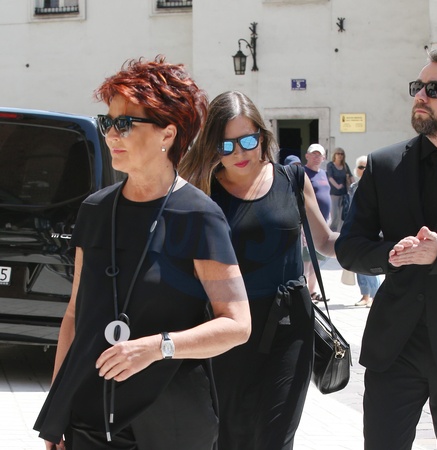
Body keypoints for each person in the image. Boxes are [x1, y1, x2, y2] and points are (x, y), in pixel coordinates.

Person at [34, 57, 251, 450]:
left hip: (172, 421)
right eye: (107, 122)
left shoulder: (198, 215)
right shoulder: (95, 210)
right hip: (91, 415)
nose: (110, 134)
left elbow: (237, 324)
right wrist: (56, 411)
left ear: (168, 133)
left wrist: (157, 347)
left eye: (125, 123)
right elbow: (75, 316)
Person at [335, 48, 437, 450]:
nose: (420, 96)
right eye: (418, 87)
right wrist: (391, 254)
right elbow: (350, 248)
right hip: (395, 347)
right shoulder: (384, 165)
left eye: (434, 89)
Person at [179, 90, 338, 450]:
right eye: (226, 145)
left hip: (290, 326)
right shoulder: (200, 190)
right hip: (225, 327)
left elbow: (326, 241)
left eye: (248, 140)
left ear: (263, 137)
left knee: (276, 438)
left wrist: (381, 247)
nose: (239, 153)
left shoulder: (292, 178)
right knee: (229, 438)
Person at [349, 155, 380, 308]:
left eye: (367, 167)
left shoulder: (377, 186)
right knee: (358, 264)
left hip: (372, 230)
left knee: (370, 264)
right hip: (355, 229)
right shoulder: (353, 187)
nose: (364, 170)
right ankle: (365, 295)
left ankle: (375, 296)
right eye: (361, 167)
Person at [302, 144, 331, 303]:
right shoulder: (303, 173)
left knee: (317, 261)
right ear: (307, 156)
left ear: (324, 158)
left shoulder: (323, 174)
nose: (316, 157)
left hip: (323, 223)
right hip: (307, 224)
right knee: (306, 260)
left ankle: (312, 291)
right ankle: (304, 293)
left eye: (319, 155)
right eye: (313, 154)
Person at [326, 147, 354, 232]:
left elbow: (351, 176)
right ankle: (331, 232)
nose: (340, 155)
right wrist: (337, 186)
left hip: (344, 194)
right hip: (333, 194)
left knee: (342, 216)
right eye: (338, 153)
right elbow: (330, 177)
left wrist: (355, 185)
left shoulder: (345, 165)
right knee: (334, 215)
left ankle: (340, 233)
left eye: (342, 154)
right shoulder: (330, 165)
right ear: (334, 155)